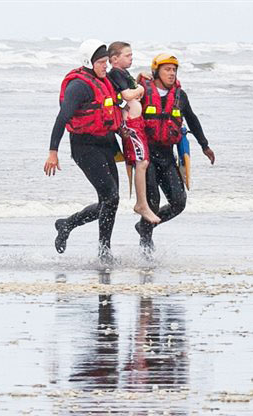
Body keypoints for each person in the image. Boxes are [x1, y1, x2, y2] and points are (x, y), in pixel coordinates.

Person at [43, 39, 122, 264]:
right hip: (84, 147)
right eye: (101, 62)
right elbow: (63, 117)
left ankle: (68, 224)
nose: (105, 66)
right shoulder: (78, 86)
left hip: (106, 144)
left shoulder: (104, 81)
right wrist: (53, 151)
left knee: (110, 200)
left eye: (106, 61)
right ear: (89, 62)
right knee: (111, 196)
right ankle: (104, 252)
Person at [136, 53, 215, 254]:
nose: (171, 73)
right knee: (152, 201)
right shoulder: (142, 91)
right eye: (167, 70)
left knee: (179, 202)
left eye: (174, 70)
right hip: (146, 157)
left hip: (167, 155)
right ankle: (146, 242)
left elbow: (192, 120)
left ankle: (145, 226)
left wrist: (204, 146)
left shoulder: (180, 96)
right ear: (156, 72)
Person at [107, 41, 161, 225]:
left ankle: (142, 203)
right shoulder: (115, 72)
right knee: (142, 162)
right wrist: (140, 89)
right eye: (127, 55)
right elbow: (127, 95)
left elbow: (128, 89)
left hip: (136, 123)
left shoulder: (122, 73)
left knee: (143, 161)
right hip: (131, 124)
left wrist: (137, 80)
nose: (131, 58)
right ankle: (141, 204)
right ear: (115, 59)